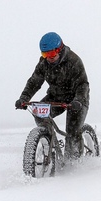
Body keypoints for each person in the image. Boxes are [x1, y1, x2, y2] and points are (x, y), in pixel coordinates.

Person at [15, 32, 90, 162]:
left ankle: (74, 164)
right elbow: (34, 82)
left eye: (50, 54)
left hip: (76, 100)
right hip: (56, 97)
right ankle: (49, 142)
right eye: (44, 54)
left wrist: (78, 100)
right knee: (39, 114)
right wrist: (24, 98)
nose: (48, 58)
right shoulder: (44, 63)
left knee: (72, 132)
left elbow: (82, 85)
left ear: (59, 50)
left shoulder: (74, 61)